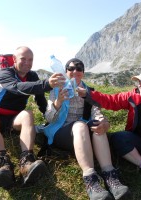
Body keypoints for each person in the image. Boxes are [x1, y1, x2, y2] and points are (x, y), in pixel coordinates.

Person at [77, 66, 141, 188]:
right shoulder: (133, 96)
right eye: (139, 81)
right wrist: (87, 94)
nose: (140, 84)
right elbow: (112, 101)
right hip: (140, 142)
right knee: (119, 138)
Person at [42, 58, 129, 200]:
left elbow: (96, 112)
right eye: (71, 68)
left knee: (96, 126)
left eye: (79, 68)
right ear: (65, 72)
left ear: (83, 73)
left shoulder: (88, 91)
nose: (75, 71)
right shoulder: (56, 90)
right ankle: (90, 179)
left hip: (83, 135)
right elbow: (49, 118)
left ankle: (110, 175)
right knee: (80, 125)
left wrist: (103, 123)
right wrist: (58, 102)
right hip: (61, 132)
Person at [0, 46, 65, 189]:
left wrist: (48, 117)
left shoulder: (32, 76)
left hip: (14, 119)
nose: (27, 62)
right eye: (23, 59)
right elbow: (17, 87)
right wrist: (46, 84)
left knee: (28, 114)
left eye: (30, 60)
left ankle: (27, 161)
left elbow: (40, 99)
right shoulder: (4, 73)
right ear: (14, 60)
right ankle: (2, 163)